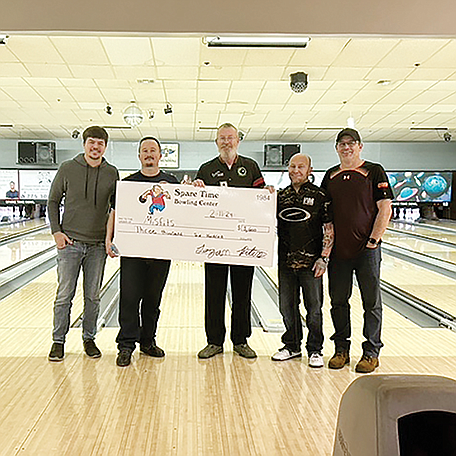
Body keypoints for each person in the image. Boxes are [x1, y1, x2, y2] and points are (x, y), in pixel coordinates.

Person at [321, 128, 393, 373]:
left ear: (360, 146)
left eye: (351, 143)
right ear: (337, 148)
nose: (346, 147)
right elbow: (325, 215)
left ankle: (371, 352)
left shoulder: (374, 171)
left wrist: (373, 240)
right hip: (339, 251)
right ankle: (341, 349)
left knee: (371, 303)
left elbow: (385, 208)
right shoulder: (330, 175)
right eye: (342, 144)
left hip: (367, 250)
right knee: (338, 302)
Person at [193, 123, 266, 359]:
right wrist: (196, 190)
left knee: (243, 292)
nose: (226, 142)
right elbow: (195, 203)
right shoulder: (206, 169)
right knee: (214, 292)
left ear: (238, 141)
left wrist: (269, 194)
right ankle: (214, 341)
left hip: (244, 244)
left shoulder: (251, 167)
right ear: (216, 143)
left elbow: (261, 199)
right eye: (222, 138)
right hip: (214, 245)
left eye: (230, 138)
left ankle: (241, 341)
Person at [47, 126, 119, 362]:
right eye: (91, 142)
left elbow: (116, 209)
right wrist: (56, 232)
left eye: (100, 143)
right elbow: (53, 201)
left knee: (93, 297)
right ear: (84, 144)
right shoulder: (68, 168)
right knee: (64, 295)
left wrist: (110, 240)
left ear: (105, 147)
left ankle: (89, 338)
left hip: (97, 246)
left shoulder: (111, 172)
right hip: (70, 244)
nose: (95, 147)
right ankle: (58, 342)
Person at [106, 136, 178, 367]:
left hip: (161, 253)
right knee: (129, 299)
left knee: (152, 301)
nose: (149, 154)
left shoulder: (171, 181)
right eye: (144, 150)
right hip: (133, 253)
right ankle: (126, 345)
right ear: (139, 156)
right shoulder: (127, 184)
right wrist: (108, 239)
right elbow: (114, 213)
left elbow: (184, 214)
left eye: (153, 150)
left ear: (160, 155)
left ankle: (148, 341)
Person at [272, 154, 334, 367]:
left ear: (310, 170)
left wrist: (324, 258)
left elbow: (328, 228)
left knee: (314, 308)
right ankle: (292, 345)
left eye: (301, 166)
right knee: (286, 306)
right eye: (292, 166)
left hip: (311, 263)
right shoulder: (281, 196)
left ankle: (315, 349)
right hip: (286, 262)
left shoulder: (320, 195)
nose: (295, 170)